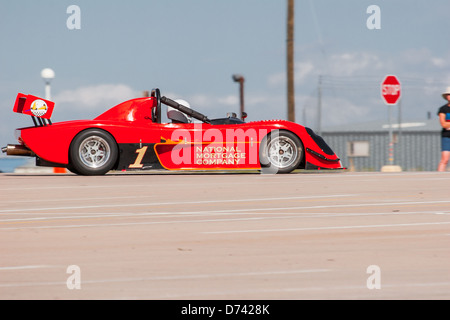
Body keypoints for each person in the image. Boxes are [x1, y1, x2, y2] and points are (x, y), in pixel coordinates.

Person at [437, 87, 450, 171]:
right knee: (445, 159)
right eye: (448, 95)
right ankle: (437, 177)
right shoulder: (443, 109)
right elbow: (443, 124)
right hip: (446, 136)